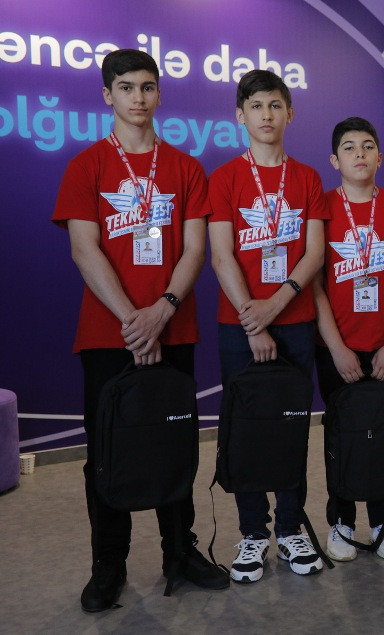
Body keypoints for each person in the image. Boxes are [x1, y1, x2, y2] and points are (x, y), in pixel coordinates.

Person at [52, 48, 228, 612]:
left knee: (174, 443)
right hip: (108, 335)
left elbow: (194, 249)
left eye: (147, 87)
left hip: (174, 329)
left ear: (159, 93)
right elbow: (84, 249)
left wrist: (163, 310)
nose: (138, 97)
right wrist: (135, 319)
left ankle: (180, 552)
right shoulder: (86, 166)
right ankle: (109, 564)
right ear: (108, 95)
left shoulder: (186, 167)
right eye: (126, 87)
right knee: (109, 450)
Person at [208, 69, 328, 583]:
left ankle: (292, 527)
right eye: (256, 106)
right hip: (239, 325)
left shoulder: (307, 178)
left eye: (275, 105)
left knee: (291, 427)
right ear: (240, 115)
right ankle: (253, 532)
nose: (266, 115)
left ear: (290, 114)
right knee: (248, 429)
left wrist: (274, 307)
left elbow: (314, 252)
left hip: (295, 322)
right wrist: (253, 323)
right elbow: (220, 255)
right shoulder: (224, 178)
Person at [313, 117, 384, 561]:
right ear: (334, 160)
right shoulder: (322, 208)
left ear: (380, 157)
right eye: (348, 147)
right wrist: (337, 348)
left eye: (367, 146)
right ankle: (341, 521)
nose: (359, 154)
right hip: (336, 348)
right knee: (341, 435)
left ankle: (382, 519)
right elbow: (315, 285)